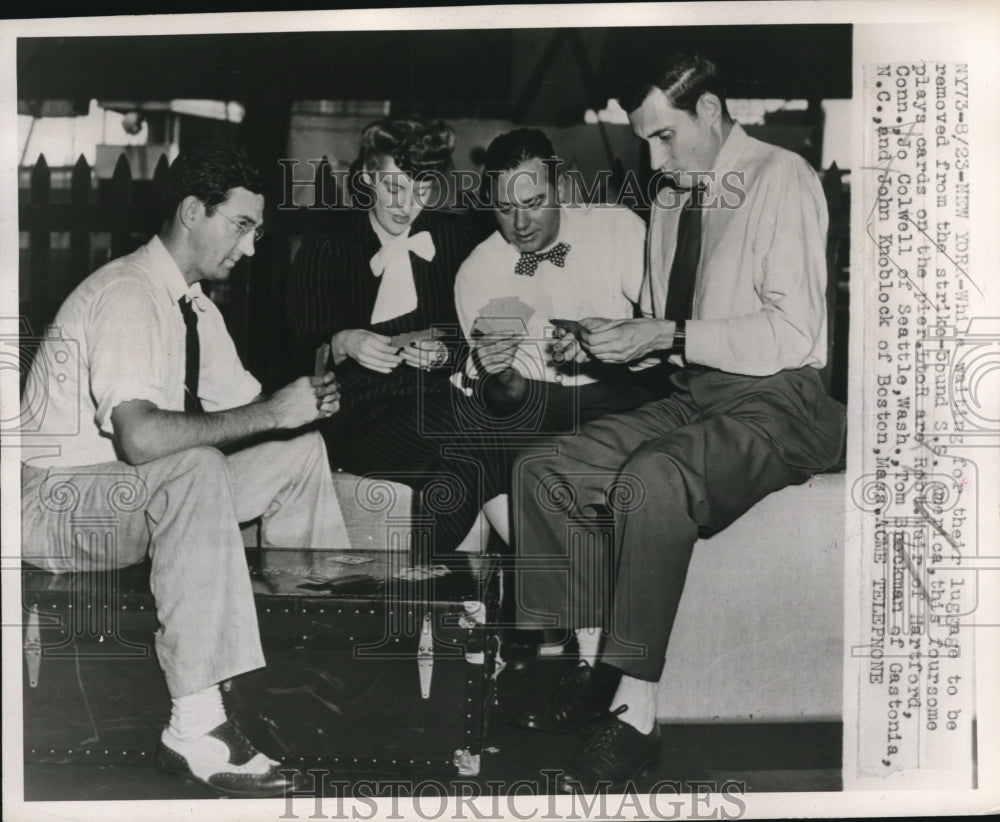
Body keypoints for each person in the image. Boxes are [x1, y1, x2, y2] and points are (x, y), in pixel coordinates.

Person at [511, 55, 847, 793]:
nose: (656, 159)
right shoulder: (670, 196)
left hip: (779, 399)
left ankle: (635, 717)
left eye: (665, 137)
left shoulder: (781, 177)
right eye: (645, 142)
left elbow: (792, 335)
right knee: (540, 470)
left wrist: (662, 335)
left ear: (713, 109)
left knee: (654, 478)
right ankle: (596, 670)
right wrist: (609, 341)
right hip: (696, 393)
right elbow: (671, 327)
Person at [20, 146, 346, 796]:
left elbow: (253, 415)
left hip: (124, 496)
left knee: (297, 452)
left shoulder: (195, 307)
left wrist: (301, 406)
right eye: (242, 226)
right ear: (194, 212)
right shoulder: (126, 292)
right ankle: (194, 726)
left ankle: (304, 654)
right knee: (192, 465)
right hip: (50, 507)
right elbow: (141, 438)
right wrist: (271, 413)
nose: (250, 249)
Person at [285, 117, 510, 558]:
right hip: (355, 410)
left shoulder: (455, 237)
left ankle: (426, 596)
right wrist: (345, 341)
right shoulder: (328, 244)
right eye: (394, 188)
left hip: (435, 396)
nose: (407, 206)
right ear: (368, 176)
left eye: (422, 190)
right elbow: (294, 350)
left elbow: (479, 328)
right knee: (472, 439)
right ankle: (534, 580)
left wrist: (446, 350)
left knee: (469, 457)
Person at [454, 128, 655, 434]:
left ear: (560, 188)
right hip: (531, 407)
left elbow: (666, 326)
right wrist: (496, 373)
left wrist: (613, 344)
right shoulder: (483, 270)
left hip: (621, 394)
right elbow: (501, 396)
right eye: (505, 209)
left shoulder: (615, 227)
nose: (521, 225)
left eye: (534, 203)